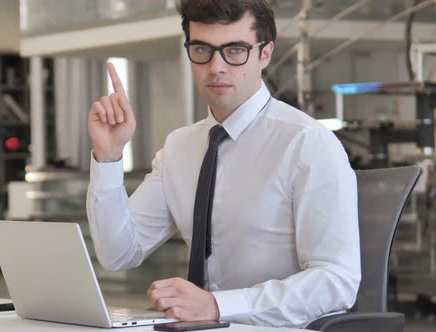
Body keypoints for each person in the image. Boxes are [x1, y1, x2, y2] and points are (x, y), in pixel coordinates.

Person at [86, 0, 361, 328]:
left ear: (265, 54)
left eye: (235, 50)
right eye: (203, 49)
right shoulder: (179, 147)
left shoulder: (307, 144)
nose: (216, 66)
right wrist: (109, 156)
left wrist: (218, 305)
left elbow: (337, 281)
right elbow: (118, 254)